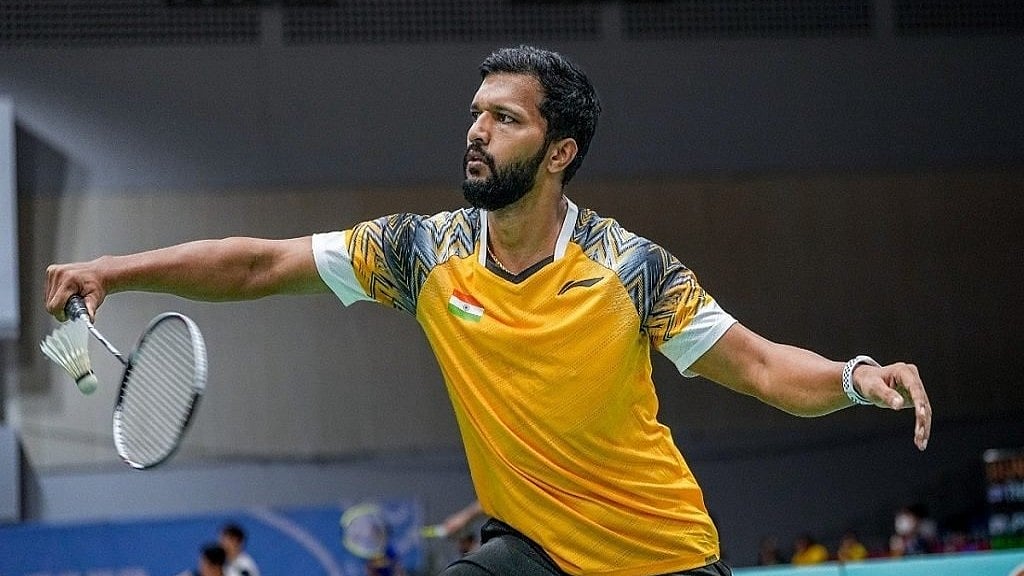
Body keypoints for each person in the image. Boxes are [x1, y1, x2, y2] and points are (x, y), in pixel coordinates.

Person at [44, 45, 932, 576]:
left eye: (504, 119)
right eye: (475, 114)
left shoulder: (629, 268)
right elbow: (258, 265)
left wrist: (857, 378)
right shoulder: (422, 251)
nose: (475, 130)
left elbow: (765, 369)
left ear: (560, 152)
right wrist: (115, 269)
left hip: (655, 556)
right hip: (532, 554)